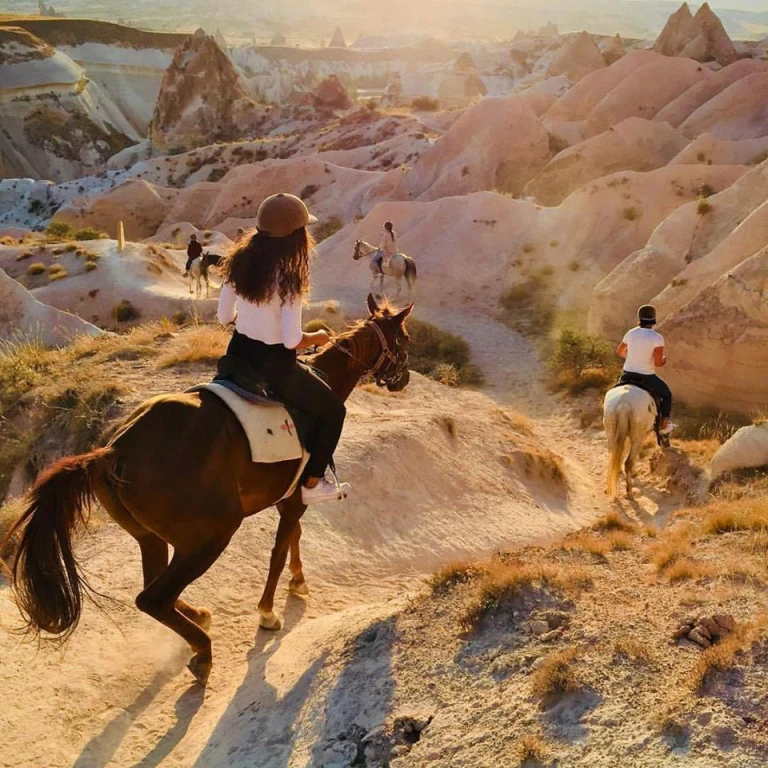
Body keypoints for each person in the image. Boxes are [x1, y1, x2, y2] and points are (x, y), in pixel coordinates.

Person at [217, 193, 350, 504]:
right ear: (295, 236)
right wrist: (317, 337)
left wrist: (249, 321)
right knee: (333, 411)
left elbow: (224, 317)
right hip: (274, 367)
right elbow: (291, 341)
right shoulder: (289, 279)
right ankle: (313, 484)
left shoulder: (237, 263)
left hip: (236, 356)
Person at [617, 304, 675, 435]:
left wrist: (632, 358)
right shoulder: (657, 338)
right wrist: (663, 360)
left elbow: (620, 351)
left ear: (639, 318)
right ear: (654, 319)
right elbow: (658, 363)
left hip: (627, 374)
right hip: (646, 377)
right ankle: (663, 424)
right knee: (666, 395)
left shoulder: (630, 333)